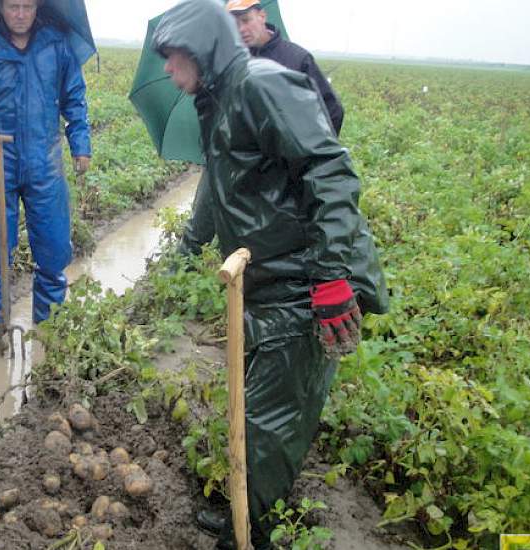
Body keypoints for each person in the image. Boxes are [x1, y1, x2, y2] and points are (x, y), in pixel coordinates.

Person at [153, 1, 389, 548]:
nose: (167, 69)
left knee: (271, 417)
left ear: (202, 48)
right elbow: (221, 187)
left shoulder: (261, 83)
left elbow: (327, 169)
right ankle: (248, 502)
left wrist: (330, 279)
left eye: (172, 57)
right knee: (260, 401)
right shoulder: (219, 99)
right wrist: (190, 247)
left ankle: (252, 529)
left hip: (303, 279)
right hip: (266, 277)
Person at [0, 0, 91, 335]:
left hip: (44, 160)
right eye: (12, 6)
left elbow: (74, 98)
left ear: (37, 8)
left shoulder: (56, 45)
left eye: (27, 6)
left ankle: (48, 327)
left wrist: (81, 146)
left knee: (54, 246)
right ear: (0, 8)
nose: (20, 14)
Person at [226, 0, 344, 135]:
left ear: (262, 16)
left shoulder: (297, 58)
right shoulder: (234, 64)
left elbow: (331, 109)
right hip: (255, 154)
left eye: (246, 20)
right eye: (235, 24)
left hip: (295, 152)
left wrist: (316, 148)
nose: (241, 29)